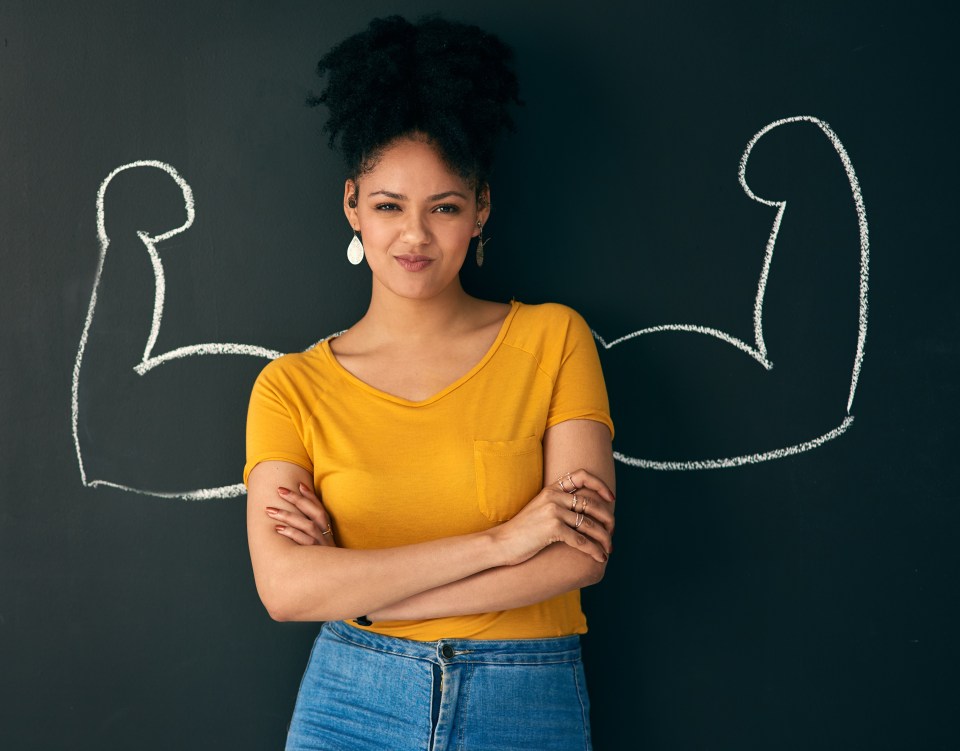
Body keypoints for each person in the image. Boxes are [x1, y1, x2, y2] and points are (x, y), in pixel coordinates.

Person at [244, 15, 616, 751]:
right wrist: (507, 541)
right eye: (389, 206)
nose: (414, 236)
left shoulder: (553, 339)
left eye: (444, 207)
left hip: (523, 695)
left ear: (481, 209)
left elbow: (580, 554)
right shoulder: (289, 388)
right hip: (349, 697)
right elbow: (287, 590)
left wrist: (364, 592)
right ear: (352, 204)